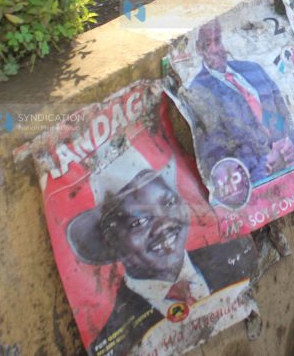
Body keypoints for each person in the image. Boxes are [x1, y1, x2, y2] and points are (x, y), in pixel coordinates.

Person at [66, 153, 255, 356]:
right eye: (139, 222)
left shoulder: (231, 257)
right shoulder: (116, 338)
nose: (164, 223)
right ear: (112, 241)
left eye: (167, 204)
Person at [189, 20, 294, 183]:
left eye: (217, 40)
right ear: (198, 49)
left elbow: (283, 111)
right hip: (257, 178)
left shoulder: (253, 69)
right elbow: (214, 154)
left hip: (292, 162)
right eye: (207, 44)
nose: (214, 49)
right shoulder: (198, 92)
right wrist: (263, 165)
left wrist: (291, 145)